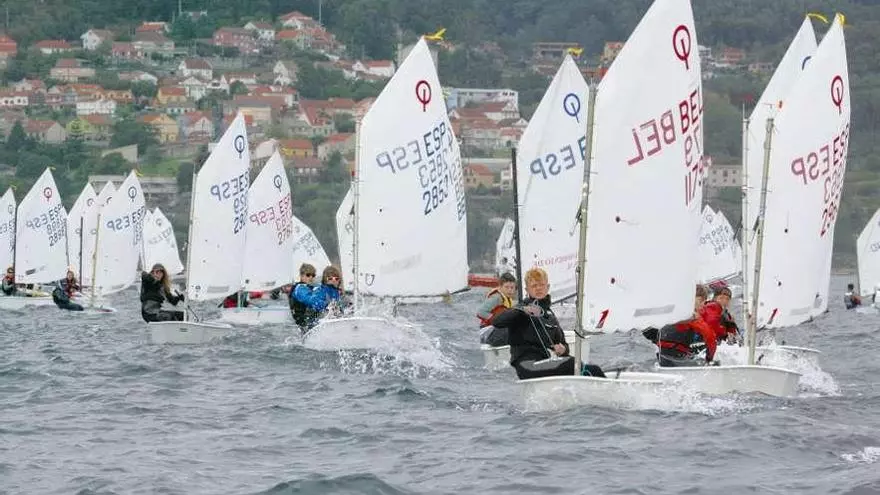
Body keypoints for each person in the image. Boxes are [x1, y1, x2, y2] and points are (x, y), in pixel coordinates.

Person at [491, 267, 606, 380]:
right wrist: (523, 310)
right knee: (572, 364)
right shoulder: (520, 309)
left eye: (541, 285)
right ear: (527, 290)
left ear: (548, 287)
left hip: (545, 362)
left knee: (593, 369)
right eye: (534, 286)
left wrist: (563, 349)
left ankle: (605, 387)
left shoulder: (550, 315)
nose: (538, 288)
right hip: (527, 365)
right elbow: (497, 322)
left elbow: (563, 345)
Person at [654, 284, 718, 367]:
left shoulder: (672, 309)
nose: (703, 305)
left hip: (661, 356)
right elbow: (710, 338)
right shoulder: (692, 316)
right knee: (714, 362)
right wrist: (709, 359)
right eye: (701, 300)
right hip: (676, 357)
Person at [477, 272, 517, 346]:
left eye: (512, 288)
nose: (509, 290)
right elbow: (480, 312)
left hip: (497, 331)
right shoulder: (496, 298)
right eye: (507, 287)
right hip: (488, 332)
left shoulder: (509, 300)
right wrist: (496, 319)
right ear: (500, 287)